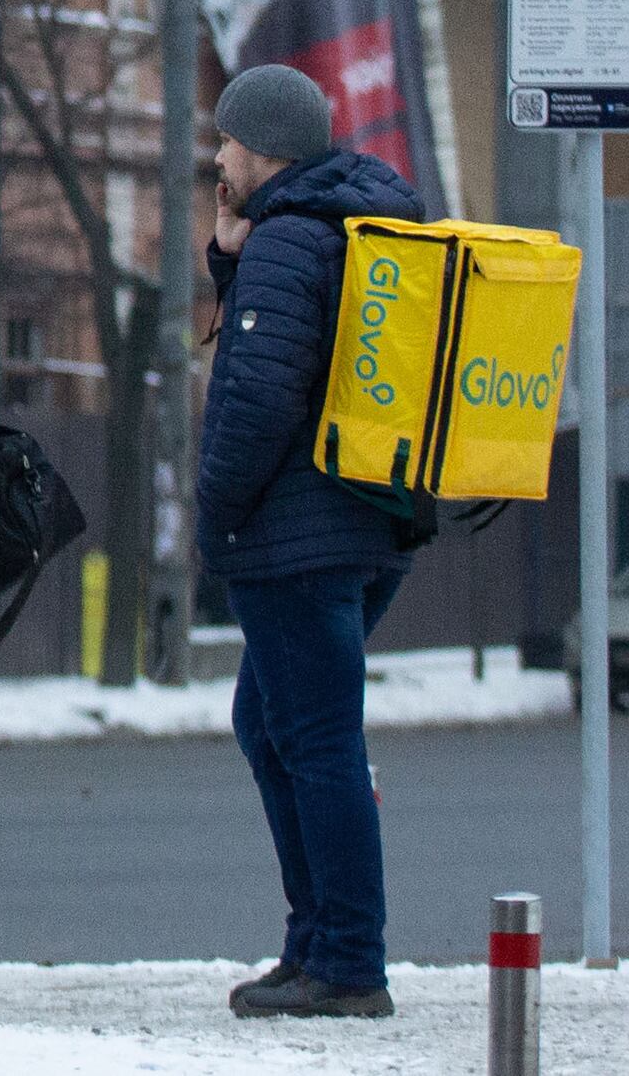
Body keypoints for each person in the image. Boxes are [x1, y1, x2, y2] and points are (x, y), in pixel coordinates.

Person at [197, 60, 425, 1020]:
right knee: (272, 726)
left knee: (319, 740)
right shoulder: (342, 226)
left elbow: (258, 394)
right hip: (363, 524)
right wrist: (228, 262)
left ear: (264, 148)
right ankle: (316, 943)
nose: (217, 157)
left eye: (226, 142)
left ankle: (347, 960)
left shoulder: (293, 240)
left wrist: (214, 509)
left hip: (299, 536)